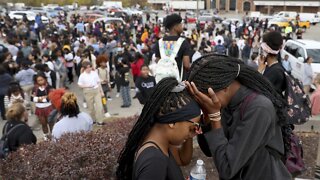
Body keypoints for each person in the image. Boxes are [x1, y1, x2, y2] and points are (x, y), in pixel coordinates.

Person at [187, 54, 291, 179]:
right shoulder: (227, 102)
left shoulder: (258, 108)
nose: (207, 102)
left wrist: (215, 117)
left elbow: (227, 169)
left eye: (207, 97)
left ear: (225, 86)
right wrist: (208, 117)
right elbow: (210, 151)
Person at [117, 77, 202, 180]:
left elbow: (182, 160)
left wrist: (189, 133)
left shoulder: (160, 141)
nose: (192, 132)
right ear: (172, 122)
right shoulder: (154, 161)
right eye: (192, 127)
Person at [154, 14, 191, 80]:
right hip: (178, 82)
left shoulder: (159, 42)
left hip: (162, 82)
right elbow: (186, 65)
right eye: (180, 25)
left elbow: (157, 60)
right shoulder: (183, 42)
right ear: (175, 27)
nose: (182, 27)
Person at [78, 61, 105, 125]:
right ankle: (93, 120)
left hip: (96, 91)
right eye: (88, 67)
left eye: (90, 67)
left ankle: (100, 121)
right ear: (85, 68)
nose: (90, 68)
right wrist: (87, 86)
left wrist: (101, 92)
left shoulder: (94, 73)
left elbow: (98, 82)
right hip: (87, 92)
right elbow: (79, 84)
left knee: (100, 106)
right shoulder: (82, 75)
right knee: (91, 108)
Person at [31, 73, 54, 140]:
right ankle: (45, 136)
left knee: (51, 123)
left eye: (42, 79)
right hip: (39, 109)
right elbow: (32, 99)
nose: (41, 81)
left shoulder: (49, 87)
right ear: (36, 81)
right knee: (43, 124)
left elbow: (49, 98)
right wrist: (42, 98)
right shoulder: (35, 88)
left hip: (49, 108)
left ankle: (53, 135)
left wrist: (38, 98)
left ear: (45, 79)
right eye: (39, 80)